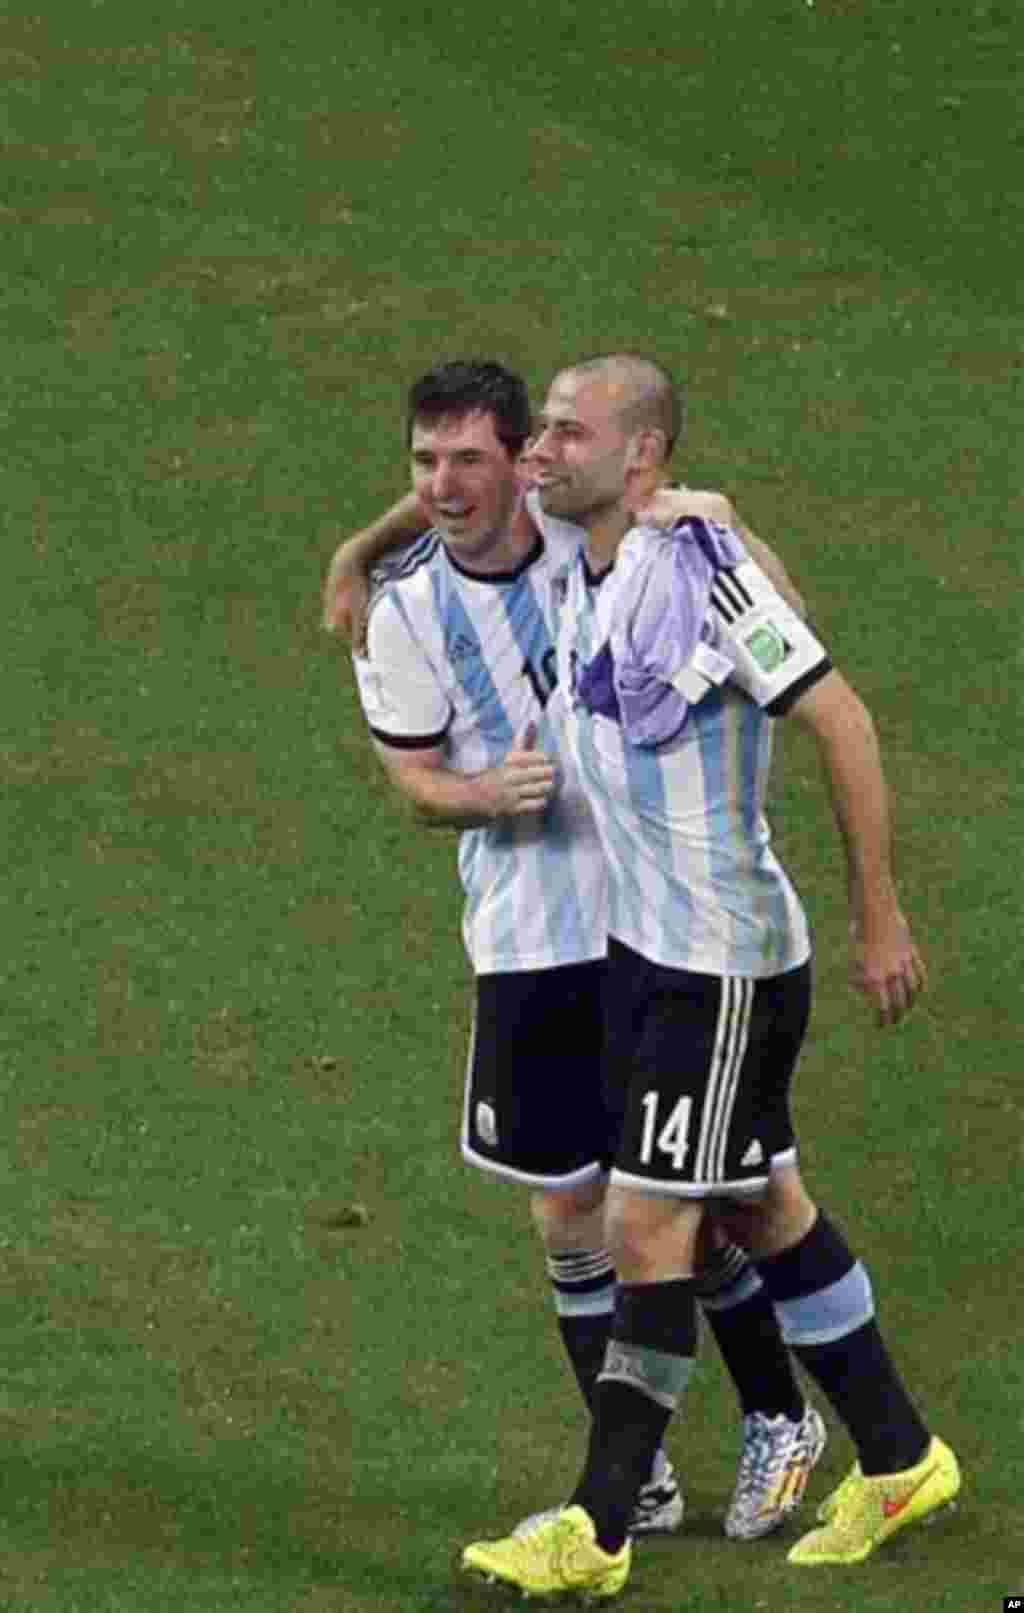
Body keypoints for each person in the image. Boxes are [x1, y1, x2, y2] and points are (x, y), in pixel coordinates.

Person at [460, 354, 960, 1599]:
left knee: (647, 1224)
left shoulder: (699, 569)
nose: (538, 449)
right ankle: (899, 1457)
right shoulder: (590, 563)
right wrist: (355, 561)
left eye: (567, 433)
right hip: (646, 957)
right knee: (759, 1208)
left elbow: (838, 715)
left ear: (641, 454)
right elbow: (452, 497)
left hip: (720, 967)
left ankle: (599, 1524)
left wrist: (878, 911)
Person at [339, 358, 827, 1543]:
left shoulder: (593, 536)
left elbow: (779, 619)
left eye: (471, 460)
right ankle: (641, 1473)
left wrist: (725, 517)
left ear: (527, 460)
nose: (444, 485)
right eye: (423, 464)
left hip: (652, 922)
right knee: (571, 1209)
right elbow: (409, 779)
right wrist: (472, 793)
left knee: (709, 1199)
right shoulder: (402, 608)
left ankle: (780, 1413)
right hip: (522, 937)